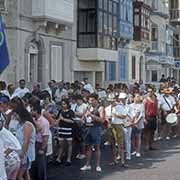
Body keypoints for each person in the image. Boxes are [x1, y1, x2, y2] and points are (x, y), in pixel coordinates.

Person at [80, 93, 105, 172]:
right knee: (88, 147)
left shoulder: (100, 108)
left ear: (96, 100)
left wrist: (91, 115)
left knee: (97, 147)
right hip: (88, 128)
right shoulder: (88, 107)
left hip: (96, 129)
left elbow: (102, 120)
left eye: (92, 100)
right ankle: (87, 165)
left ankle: (97, 165)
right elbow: (84, 116)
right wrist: (82, 119)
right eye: (89, 100)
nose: (90, 102)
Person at [13, 107, 36, 180]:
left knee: (19, 176)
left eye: (16, 115)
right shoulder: (20, 124)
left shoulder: (27, 125)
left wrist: (22, 154)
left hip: (26, 154)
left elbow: (26, 141)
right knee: (26, 173)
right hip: (22, 152)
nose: (15, 117)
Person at [30, 100, 49, 180]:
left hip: (40, 144)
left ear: (36, 111)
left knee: (41, 164)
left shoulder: (44, 122)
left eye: (32, 110)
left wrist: (42, 148)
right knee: (34, 164)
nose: (30, 111)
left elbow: (45, 136)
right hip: (34, 143)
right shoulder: (34, 120)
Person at [0, 113, 21, 180]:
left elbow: (17, 146)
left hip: (10, 163)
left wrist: (3, 154)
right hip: (14, 161)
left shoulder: (2, 132)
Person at [56, 99, 75, 166]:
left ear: (67, 104)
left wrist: (63, 119)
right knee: (61, 145)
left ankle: (68, 159)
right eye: (62, 104)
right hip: (61, 129)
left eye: (64, 104)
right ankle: (58, 158)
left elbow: (72, 121)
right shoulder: (60, 111)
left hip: (69, 130)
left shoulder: (71, 112)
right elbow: (57, 120)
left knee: (69, 144)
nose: (63, 105)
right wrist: (58, 122)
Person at [130, 93, 145, 157]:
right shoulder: (130, 105)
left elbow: (141, 115)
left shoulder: (141, 105)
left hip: (139, 123)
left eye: (139, 97)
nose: (138, 98)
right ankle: (134, 150)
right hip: (132, 123)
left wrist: (136, 121)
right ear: (134, 98)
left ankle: (138, 151)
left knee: (138, 137)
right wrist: (132, 122)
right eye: (137, 97)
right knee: (132, 137)